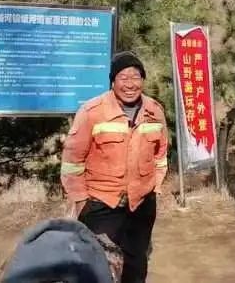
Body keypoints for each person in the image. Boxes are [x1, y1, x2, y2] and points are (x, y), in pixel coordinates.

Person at [60, 51, 169, 283]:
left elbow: (160, 154)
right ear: (112, 81)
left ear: (143, 80)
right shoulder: (92, 112)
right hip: (101, 204)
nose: (130, 84)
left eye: (136, 77)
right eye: (123, 77)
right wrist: (81, 201)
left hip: (142, 204)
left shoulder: (154, 111)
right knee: (100, 266)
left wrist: (154, 187)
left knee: (136, 262)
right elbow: (72, 161)